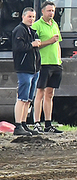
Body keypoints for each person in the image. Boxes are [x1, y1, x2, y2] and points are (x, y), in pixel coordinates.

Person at [32, 1, 64, 134]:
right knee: (40, 92)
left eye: (53, 11)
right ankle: (36, 122)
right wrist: (49, 41)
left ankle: (48, 123)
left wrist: (59, 60)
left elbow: (58, 44)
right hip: (43, 64)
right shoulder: (36, 26)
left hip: (55, 63)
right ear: (43, 11)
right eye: (49, 11)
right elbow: (35, 45)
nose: (51, 13)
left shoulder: (55, 24)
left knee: (50, 94)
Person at [12, 7, 42, 136]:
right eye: (29, 16)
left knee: (29, 99)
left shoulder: (31, 31)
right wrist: (32, 44)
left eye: (33, 17)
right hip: (24, 68)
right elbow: (18, 47)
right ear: (23, 17)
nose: (31, 19)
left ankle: (24, 123)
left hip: (34, 69)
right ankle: (18, 125)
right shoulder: (19, 30)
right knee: (22, 98)